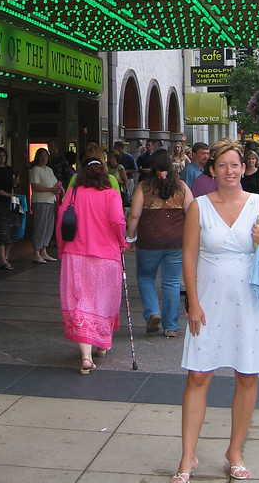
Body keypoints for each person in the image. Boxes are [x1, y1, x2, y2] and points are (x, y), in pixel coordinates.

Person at [173, 139, 259, 483]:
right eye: (222, 166)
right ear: (212, 169)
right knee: (198, 376)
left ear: (245, 167)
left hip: (249, 302)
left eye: (235, 165)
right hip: (209, 300)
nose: (229, 172)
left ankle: (235, 451)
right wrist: (192, 302)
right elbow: (188, 256)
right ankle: (188, 455)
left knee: (247, 376)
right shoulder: (198, 207)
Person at [56, 147, 127, 373]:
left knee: (80, 302)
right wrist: (122, 242)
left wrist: (61, 249)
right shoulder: (111, 194)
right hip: (106, 257)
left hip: (75, 256)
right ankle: (102, 343)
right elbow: (118, 222)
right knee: (104, 299)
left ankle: (86, 356)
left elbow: (61, 222)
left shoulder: (74, 193)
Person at [127, 148, 194, 338]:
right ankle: (171, 326)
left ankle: (153, 312)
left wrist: (131, 238)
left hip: (149, 241)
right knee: (171, 283)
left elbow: (134, 215)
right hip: (175, 241)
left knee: (146, 277)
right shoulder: (181, 187)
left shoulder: (144, 188)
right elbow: (192, 213)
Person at [29, 148, 61, 263]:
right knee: (40, 226)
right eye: (42, 156)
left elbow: (55, 182)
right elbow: (35, 186)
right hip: (40, 201)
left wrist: (57, 189)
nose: (44, 158)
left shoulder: (49, 170)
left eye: (46, 156)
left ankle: (44, 250)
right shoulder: (35, 170)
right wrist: (50, 189)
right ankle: (36, 251)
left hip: (50, 201)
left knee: (49, 226)